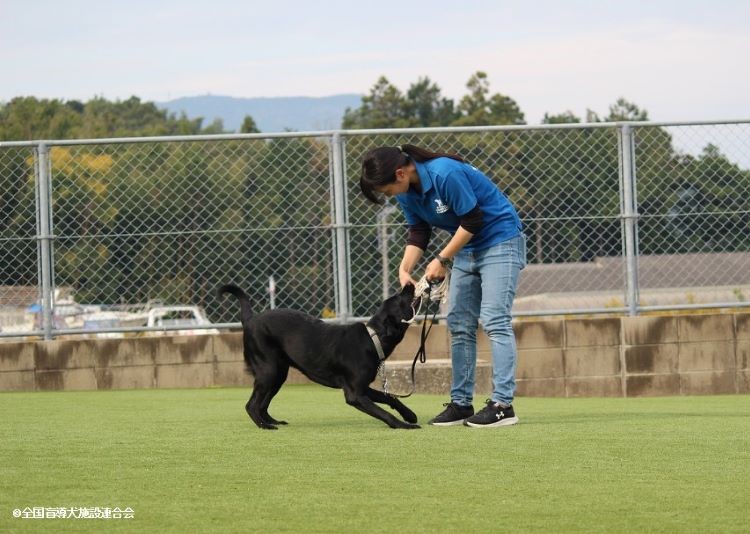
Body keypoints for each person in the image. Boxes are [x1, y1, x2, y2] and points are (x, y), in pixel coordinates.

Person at [359, 144, 526, 428]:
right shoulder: (406, 191)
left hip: (500, 241)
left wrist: (442, 259)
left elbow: (473, 219)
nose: (388, 196)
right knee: (459, 323)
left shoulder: (444, 174)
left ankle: (502, 405)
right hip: (466, 250)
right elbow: (419, 231)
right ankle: (461, 404)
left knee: (495, 320)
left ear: (400, 173)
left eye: (386, 190)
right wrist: (404, 269)